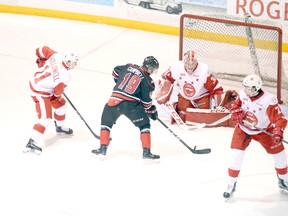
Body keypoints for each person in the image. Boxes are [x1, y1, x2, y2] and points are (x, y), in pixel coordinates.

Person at [223, 74, 288, 199]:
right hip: (243, 129)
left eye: (247, 87)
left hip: (263, 130)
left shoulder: (268, 100)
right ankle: (231, 184)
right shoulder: (243, 94)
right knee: (236, 155)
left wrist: (278, 131)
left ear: (254, 89)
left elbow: (280, 118)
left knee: (280, 155)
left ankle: (284, 181)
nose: (244, 89)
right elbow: (236, 106)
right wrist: (235, 111)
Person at [91, 56, 160, 160]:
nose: (152, 71)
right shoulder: (148, 81)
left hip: (113, 101)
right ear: (148, 67)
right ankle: (146, 153)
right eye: (152, 69)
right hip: (130, 105)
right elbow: (146, 104)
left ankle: (102, 149)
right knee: (144, 125)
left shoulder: (129, 66)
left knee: (106, 124)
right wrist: (151, 110)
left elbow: (115, 71)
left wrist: (119, 83)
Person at [24, 46, 79, 154]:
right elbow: (57, 92)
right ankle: (31, 142)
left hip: (38, 83)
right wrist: (58, 88)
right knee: (45, 118)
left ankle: (60, 127)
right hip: (40, 92)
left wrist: (42, 60)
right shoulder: (66, 76)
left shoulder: (57, 56)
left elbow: (41, 49)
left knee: (61, 106)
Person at [155, 50, 225, 124]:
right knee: (183, 116)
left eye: (193, 64)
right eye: (188, 64)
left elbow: (215, 87)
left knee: (202, 119)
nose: (190, 66)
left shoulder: (203, 70)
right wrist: (162, 94)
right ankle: (177, 106)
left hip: (201, 97)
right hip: (185, 97)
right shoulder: (176, 67)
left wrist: (220, 104)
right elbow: (165, 79)